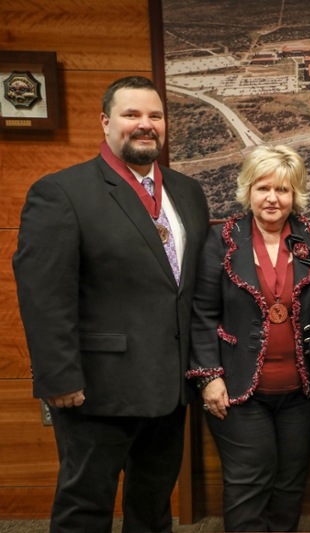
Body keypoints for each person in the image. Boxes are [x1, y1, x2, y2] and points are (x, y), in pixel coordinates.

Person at [12, 76, 210, 532]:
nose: (145, 125)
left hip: (168, 388)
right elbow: (44, 295)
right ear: (105, 122)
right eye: (132, 115)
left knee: (153, 508)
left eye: (155, 116)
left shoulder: (187, 193)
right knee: (85, 509)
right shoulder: (62, 192)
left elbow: (187, 289)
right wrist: (59, 378)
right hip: (95, 391)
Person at [188, 145, 310, 532]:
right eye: (263, 188)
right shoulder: (223, 240)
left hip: (304, 392)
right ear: (248, 190)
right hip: (238, 389)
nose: (272, 198)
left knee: (290, 485)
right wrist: (209, 376)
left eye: (283, 190)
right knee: (249, 483)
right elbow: (202, 313)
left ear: (295, 194)